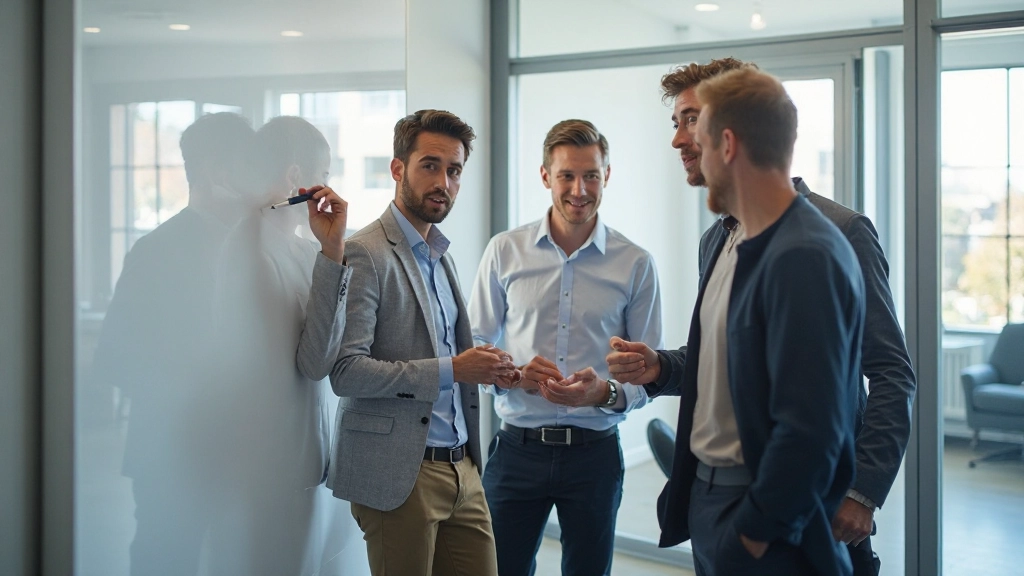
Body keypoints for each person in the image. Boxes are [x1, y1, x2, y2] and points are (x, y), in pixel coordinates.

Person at [624, 57, 916, 576]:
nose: (678, 139)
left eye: (692, 120)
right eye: (676, 122)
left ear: (728, 137)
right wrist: (660, 368)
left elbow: (887, 374)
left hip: (786, 508)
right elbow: (736, 356)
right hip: (714, 502)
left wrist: (861, 491)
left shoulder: (832, 235)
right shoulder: (716, 240)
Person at [323, 109, 516, 576]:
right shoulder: (364, 252)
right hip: (400, 475)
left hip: (462, 467)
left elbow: (452, 354)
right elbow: (346, 371)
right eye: (430, 165)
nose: (443, 183)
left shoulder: (441, 255)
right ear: (397, 169)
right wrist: (455, 369)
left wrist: (500, 371)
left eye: (454, 171)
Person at [469, 119, 664, 576]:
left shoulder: (636, 264)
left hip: (594, 455)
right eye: (566, 176)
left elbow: (650, 370)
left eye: (591, 175)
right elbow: (476, 344)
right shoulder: (504, 251)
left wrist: (605, 393)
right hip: (516, 451)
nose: (580, 189)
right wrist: (513, 374)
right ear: (545, 177)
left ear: (607, 175)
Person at [90, 112, 256, 576]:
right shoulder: (156, 251)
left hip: (243, 454)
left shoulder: (257, 250)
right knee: (167, 561)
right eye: (249, 164)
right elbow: (115, 360)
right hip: (171, 457)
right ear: (216, 172)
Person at [210, 115, 356, 574]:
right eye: (326, 175)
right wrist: (334, 254)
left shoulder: (297, 247)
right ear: (298, 177)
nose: (329, 187)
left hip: (300, 460)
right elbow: (313, 363)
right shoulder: (250, 250)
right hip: (270, 465)